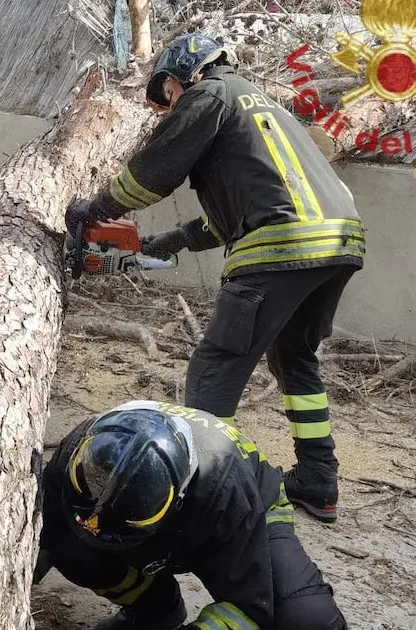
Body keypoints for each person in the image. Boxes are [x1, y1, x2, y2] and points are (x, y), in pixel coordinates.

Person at [63, 33, 365, 523]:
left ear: (188, 73)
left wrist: (95, 208)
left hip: (280, 246)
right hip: (340, 244)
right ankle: (318, 480)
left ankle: (208, 490)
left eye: (170, 96)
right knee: (296, 360)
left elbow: (153, 174)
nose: (170, 108)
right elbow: (238, 210)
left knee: (215, 366)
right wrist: (172, 240)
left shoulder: (208, 95)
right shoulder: (264, 110)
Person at [35, 400, 347, 630]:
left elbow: (249, 608)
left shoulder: (226, 494)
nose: (95, 528)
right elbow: (38, 539)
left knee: (306, 617)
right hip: (168, 518)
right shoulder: (80, 453)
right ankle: (155, 612)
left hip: (253, 505)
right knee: (71, 544)